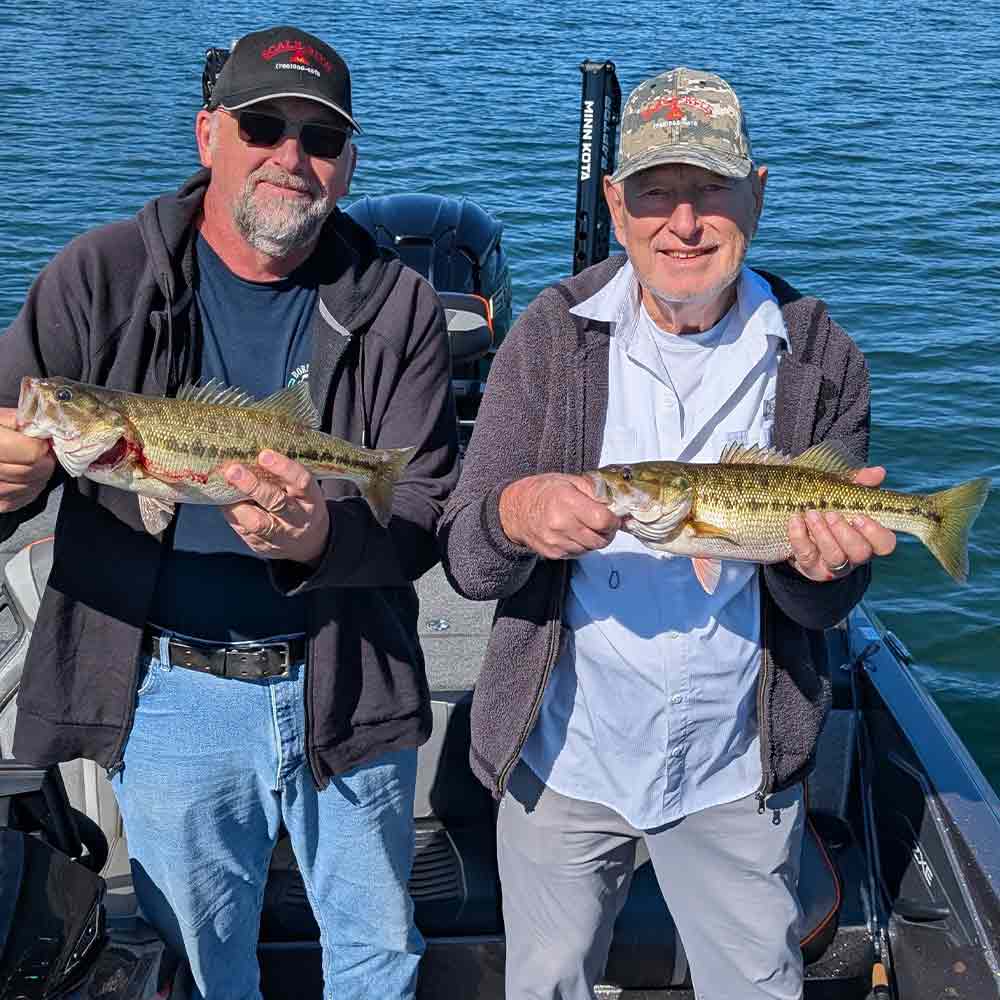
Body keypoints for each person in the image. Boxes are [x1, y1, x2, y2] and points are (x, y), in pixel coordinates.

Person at [0, 25, 458, 1000]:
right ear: (209, 134)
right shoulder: (95, 276)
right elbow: (15, 433)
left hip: (353, 679)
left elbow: (423, 509)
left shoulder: (399, 303)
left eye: (321, 139)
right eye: (263, 125)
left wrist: (325, 535)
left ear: (348, 162)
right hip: (168, 693)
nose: (291, 157)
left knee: (378, 950)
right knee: (203, 967)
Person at [439, 67, 895, 1000]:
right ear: (615, 205)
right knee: (547, 984)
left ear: (756, 196)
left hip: (737, 767)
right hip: (564, 752)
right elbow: (466, 554)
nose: (682, 223)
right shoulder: (549, 335)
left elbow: (824, 594)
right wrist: (513, 515)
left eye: (711, 191)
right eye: (654, 191)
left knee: (759, 986)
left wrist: (821, 569)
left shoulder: (818, 354)